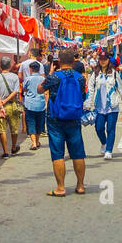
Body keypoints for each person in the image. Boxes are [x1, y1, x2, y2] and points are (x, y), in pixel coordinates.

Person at [39, 49, 88, 196]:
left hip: (55, 119)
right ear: (74, 61)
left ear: (59, 61)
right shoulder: (80, 78)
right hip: (73, 118)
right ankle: (80, 185)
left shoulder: (54, 77)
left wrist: (50, 74)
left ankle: (60, 187)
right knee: (78, 153)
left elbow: (39, 89)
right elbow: (83, 96)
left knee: (58, 154)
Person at [87, 52, 122, 159]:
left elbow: (121, 88)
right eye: (101, 59)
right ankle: (104, 143)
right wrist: (88, 103)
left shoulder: (114, 73)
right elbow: (90, 89)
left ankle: (109, 150)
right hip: (99, 107)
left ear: (108, 60)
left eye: (105, 59)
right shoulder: (95, 73)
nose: (103, 61)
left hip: (112, 106)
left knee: (110, 129)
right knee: (98, 128)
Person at [0, 56, 23, 158]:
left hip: (1, 107)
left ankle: (5, 152)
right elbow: (15, 92)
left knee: (2, 130)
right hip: (12, 105)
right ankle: (13, 147)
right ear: (10, 66)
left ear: (0, 66)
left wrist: (1, 105)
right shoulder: (14, 77)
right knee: (14, 128)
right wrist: (6, 100)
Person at [22, 59, 47, 151]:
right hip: (41, 104)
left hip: (30, 104)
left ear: (31, 69)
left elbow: (24, 89)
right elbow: (46, 92)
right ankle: (37, 141)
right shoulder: (43, 79)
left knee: (31, 123)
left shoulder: (27, 79)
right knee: (39, 124)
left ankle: (33, 143)